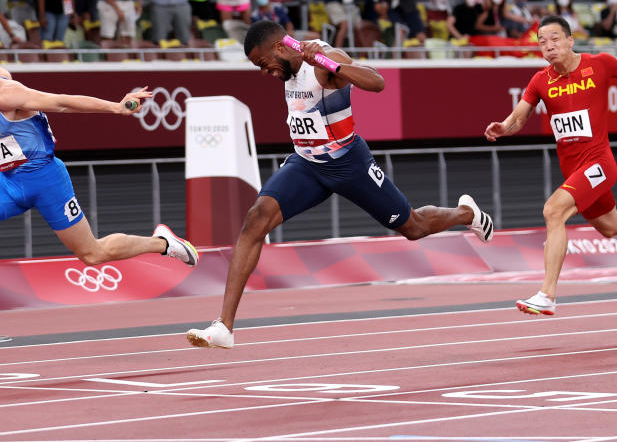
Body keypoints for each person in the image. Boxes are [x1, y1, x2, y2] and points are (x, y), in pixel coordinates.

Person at [186, 21, 494, 348]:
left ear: (279, 48)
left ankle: (465, 213)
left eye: (264, 65)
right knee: (255, 219)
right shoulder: (288, 65)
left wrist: (328, 63)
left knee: (413, 227)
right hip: (306, 163)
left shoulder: (323, 59)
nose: (265, 73)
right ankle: (224, 327)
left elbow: (376, 83)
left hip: (348, 163)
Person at [0, 39, 199, 340]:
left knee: (92, 254)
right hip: (9, 182)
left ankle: (162, 243)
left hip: (46, 180)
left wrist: (116, 107)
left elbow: (61, 101)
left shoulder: (6, 95)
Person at [483, 16, 617, 316]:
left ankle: (547, 294)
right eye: (541, 42)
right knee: (611, 227)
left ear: (570, 40)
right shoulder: (540, 81)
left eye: (554, 39)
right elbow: (518, 119)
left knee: (553, 210)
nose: (548, 47)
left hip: (600, 163)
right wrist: (503, 128)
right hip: (575, 171)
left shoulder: (598, 64)